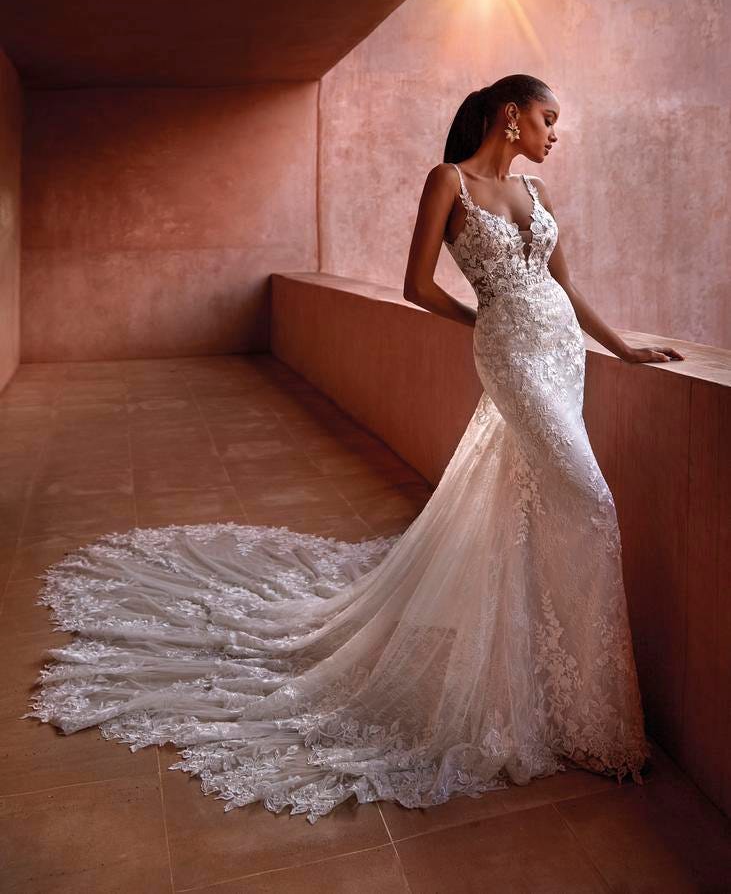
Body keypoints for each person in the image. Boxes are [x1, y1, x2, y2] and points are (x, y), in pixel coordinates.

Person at [23, 74, 684, 825]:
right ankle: (597, 722)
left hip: (563, 354)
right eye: (546, 118)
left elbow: (565, 287)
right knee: (590, 502)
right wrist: (486, 320)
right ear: (509, 117)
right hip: (513, 355)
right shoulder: (449, 181)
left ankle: (551, 690)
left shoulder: (536, 194)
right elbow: (415, 285)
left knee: (533, 503)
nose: (553, 133)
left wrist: (623, 349)